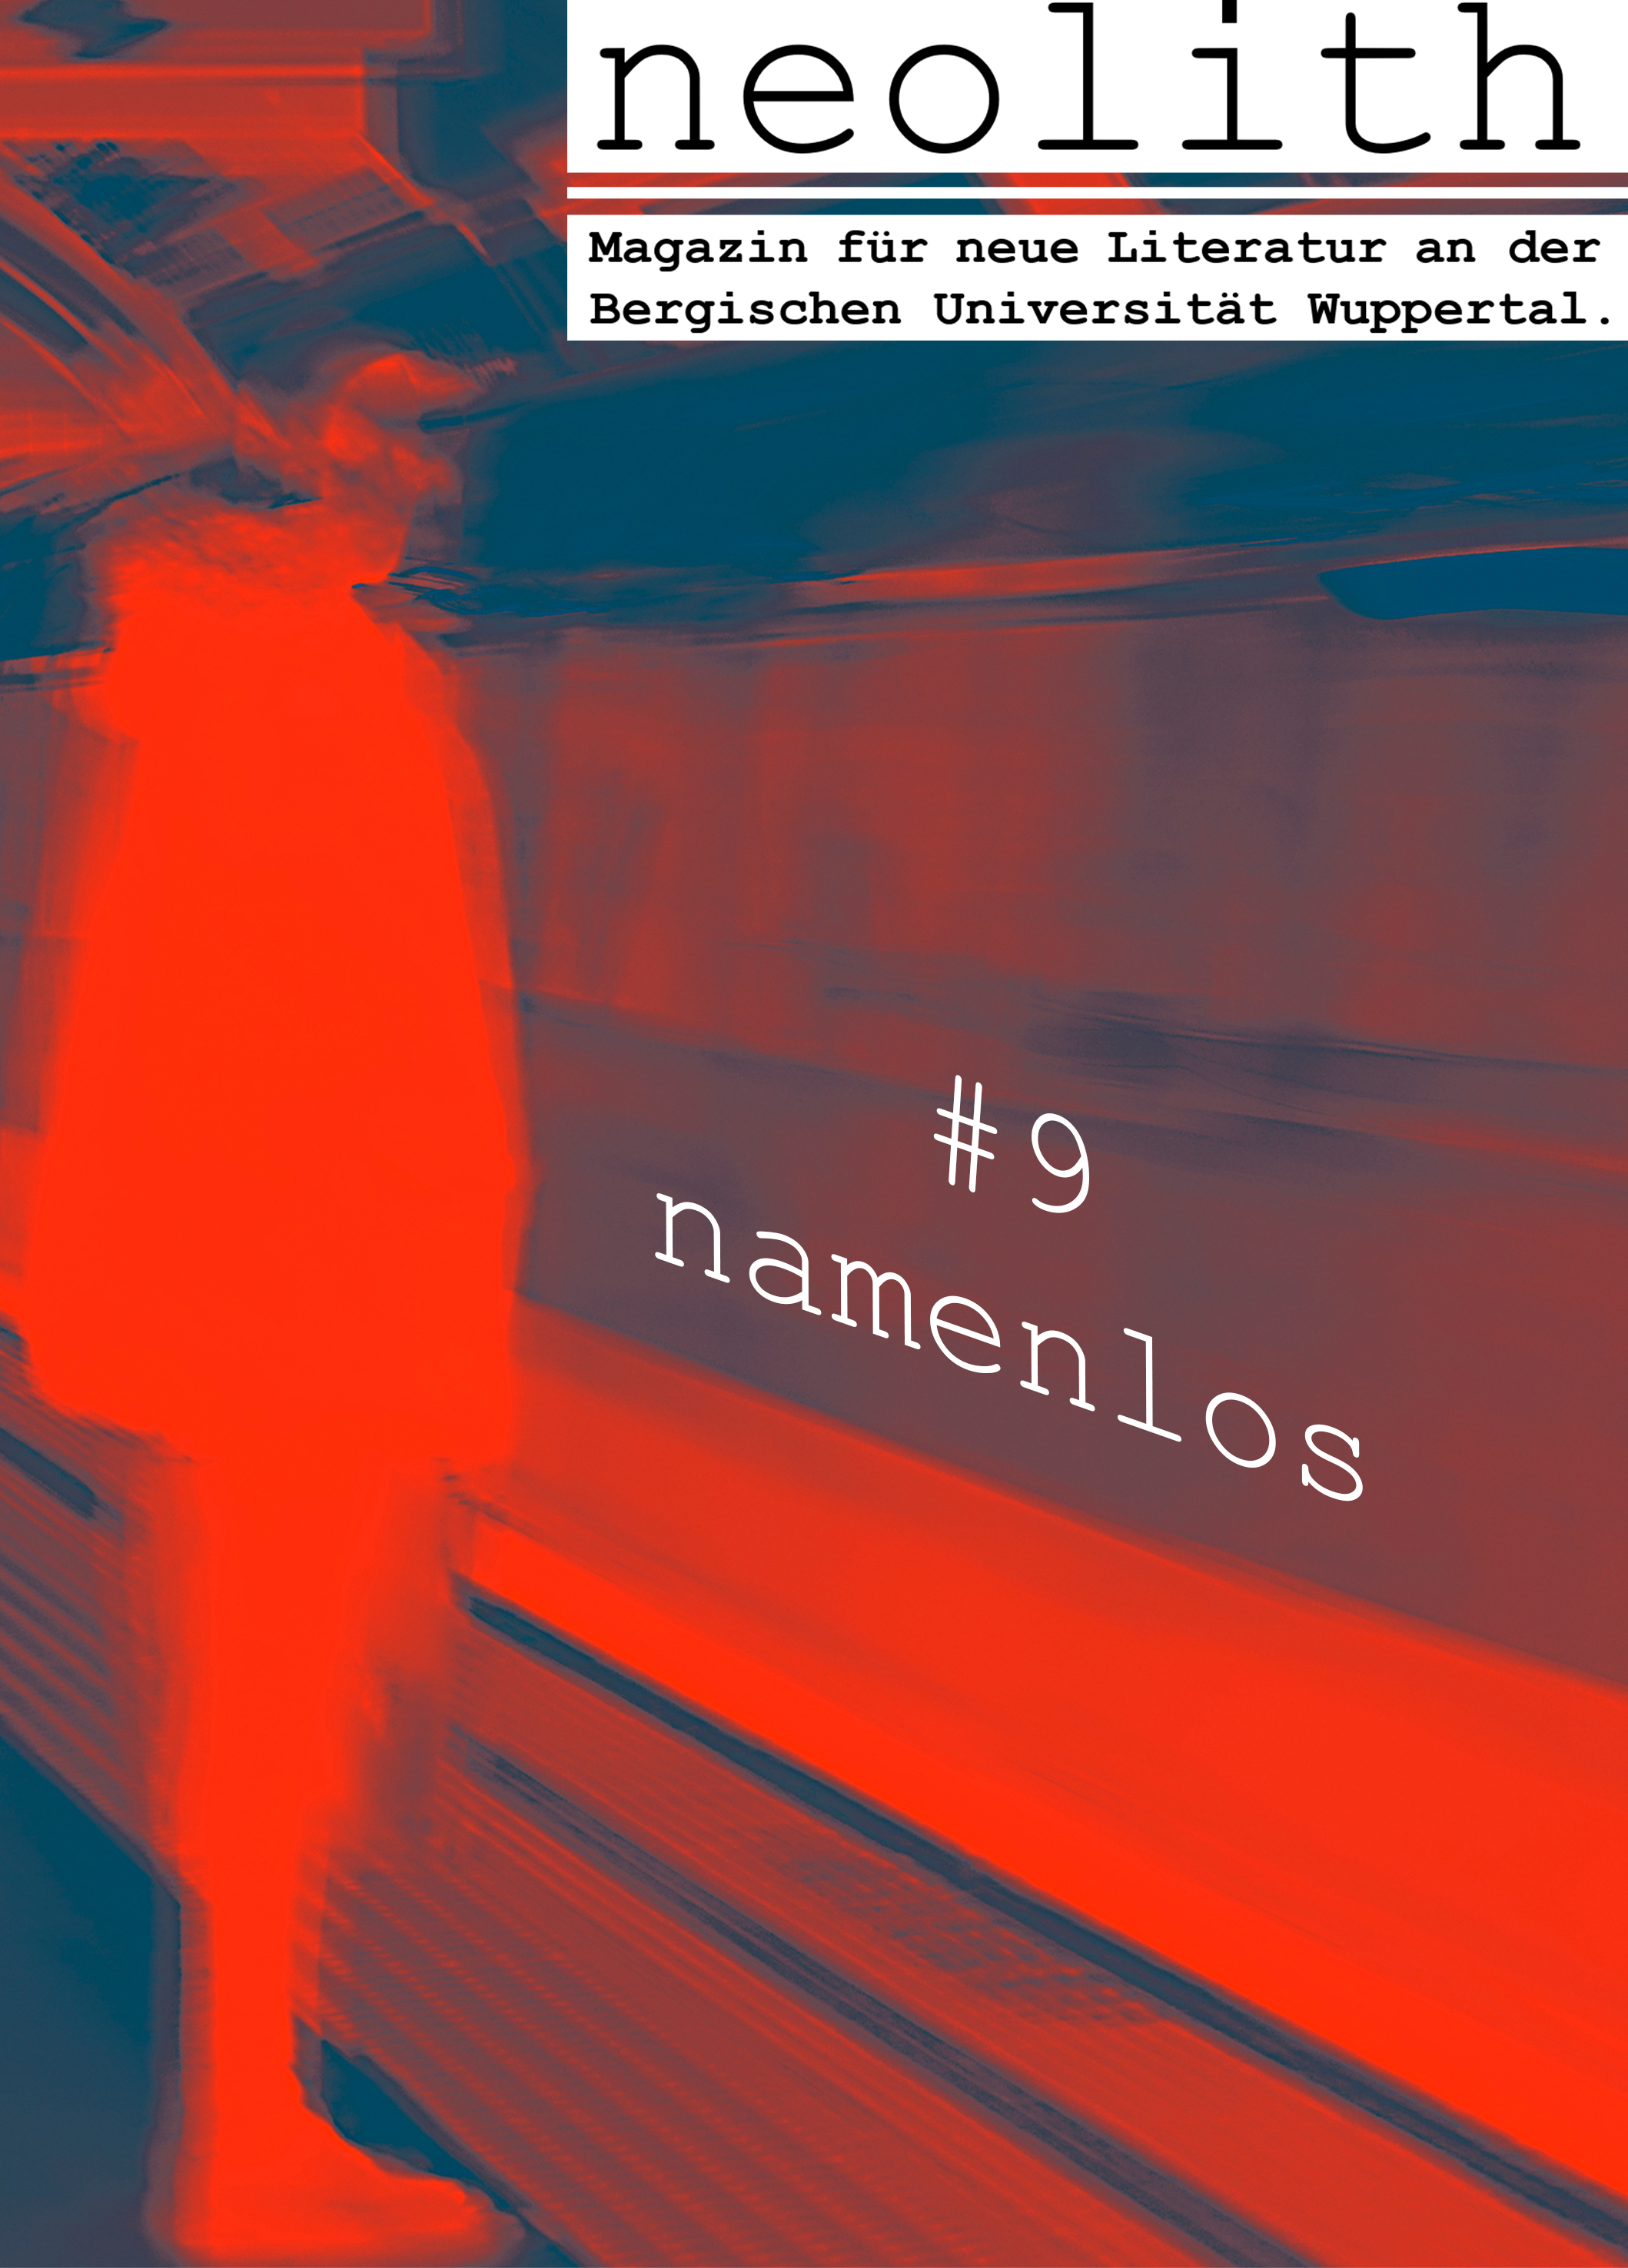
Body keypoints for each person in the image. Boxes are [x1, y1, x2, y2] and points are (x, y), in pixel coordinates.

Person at [15, 344, 530, 2266]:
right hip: (298, 1316)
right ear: (315, 466)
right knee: (269, 1737)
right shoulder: (303, 693)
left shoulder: (263, 679)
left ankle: (259, 2125)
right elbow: (368, 1049)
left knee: (273, 1738)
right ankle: (243, 2161)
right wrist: (436, 1365)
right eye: (394, 436)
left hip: (274, 1311)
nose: (423, 476)